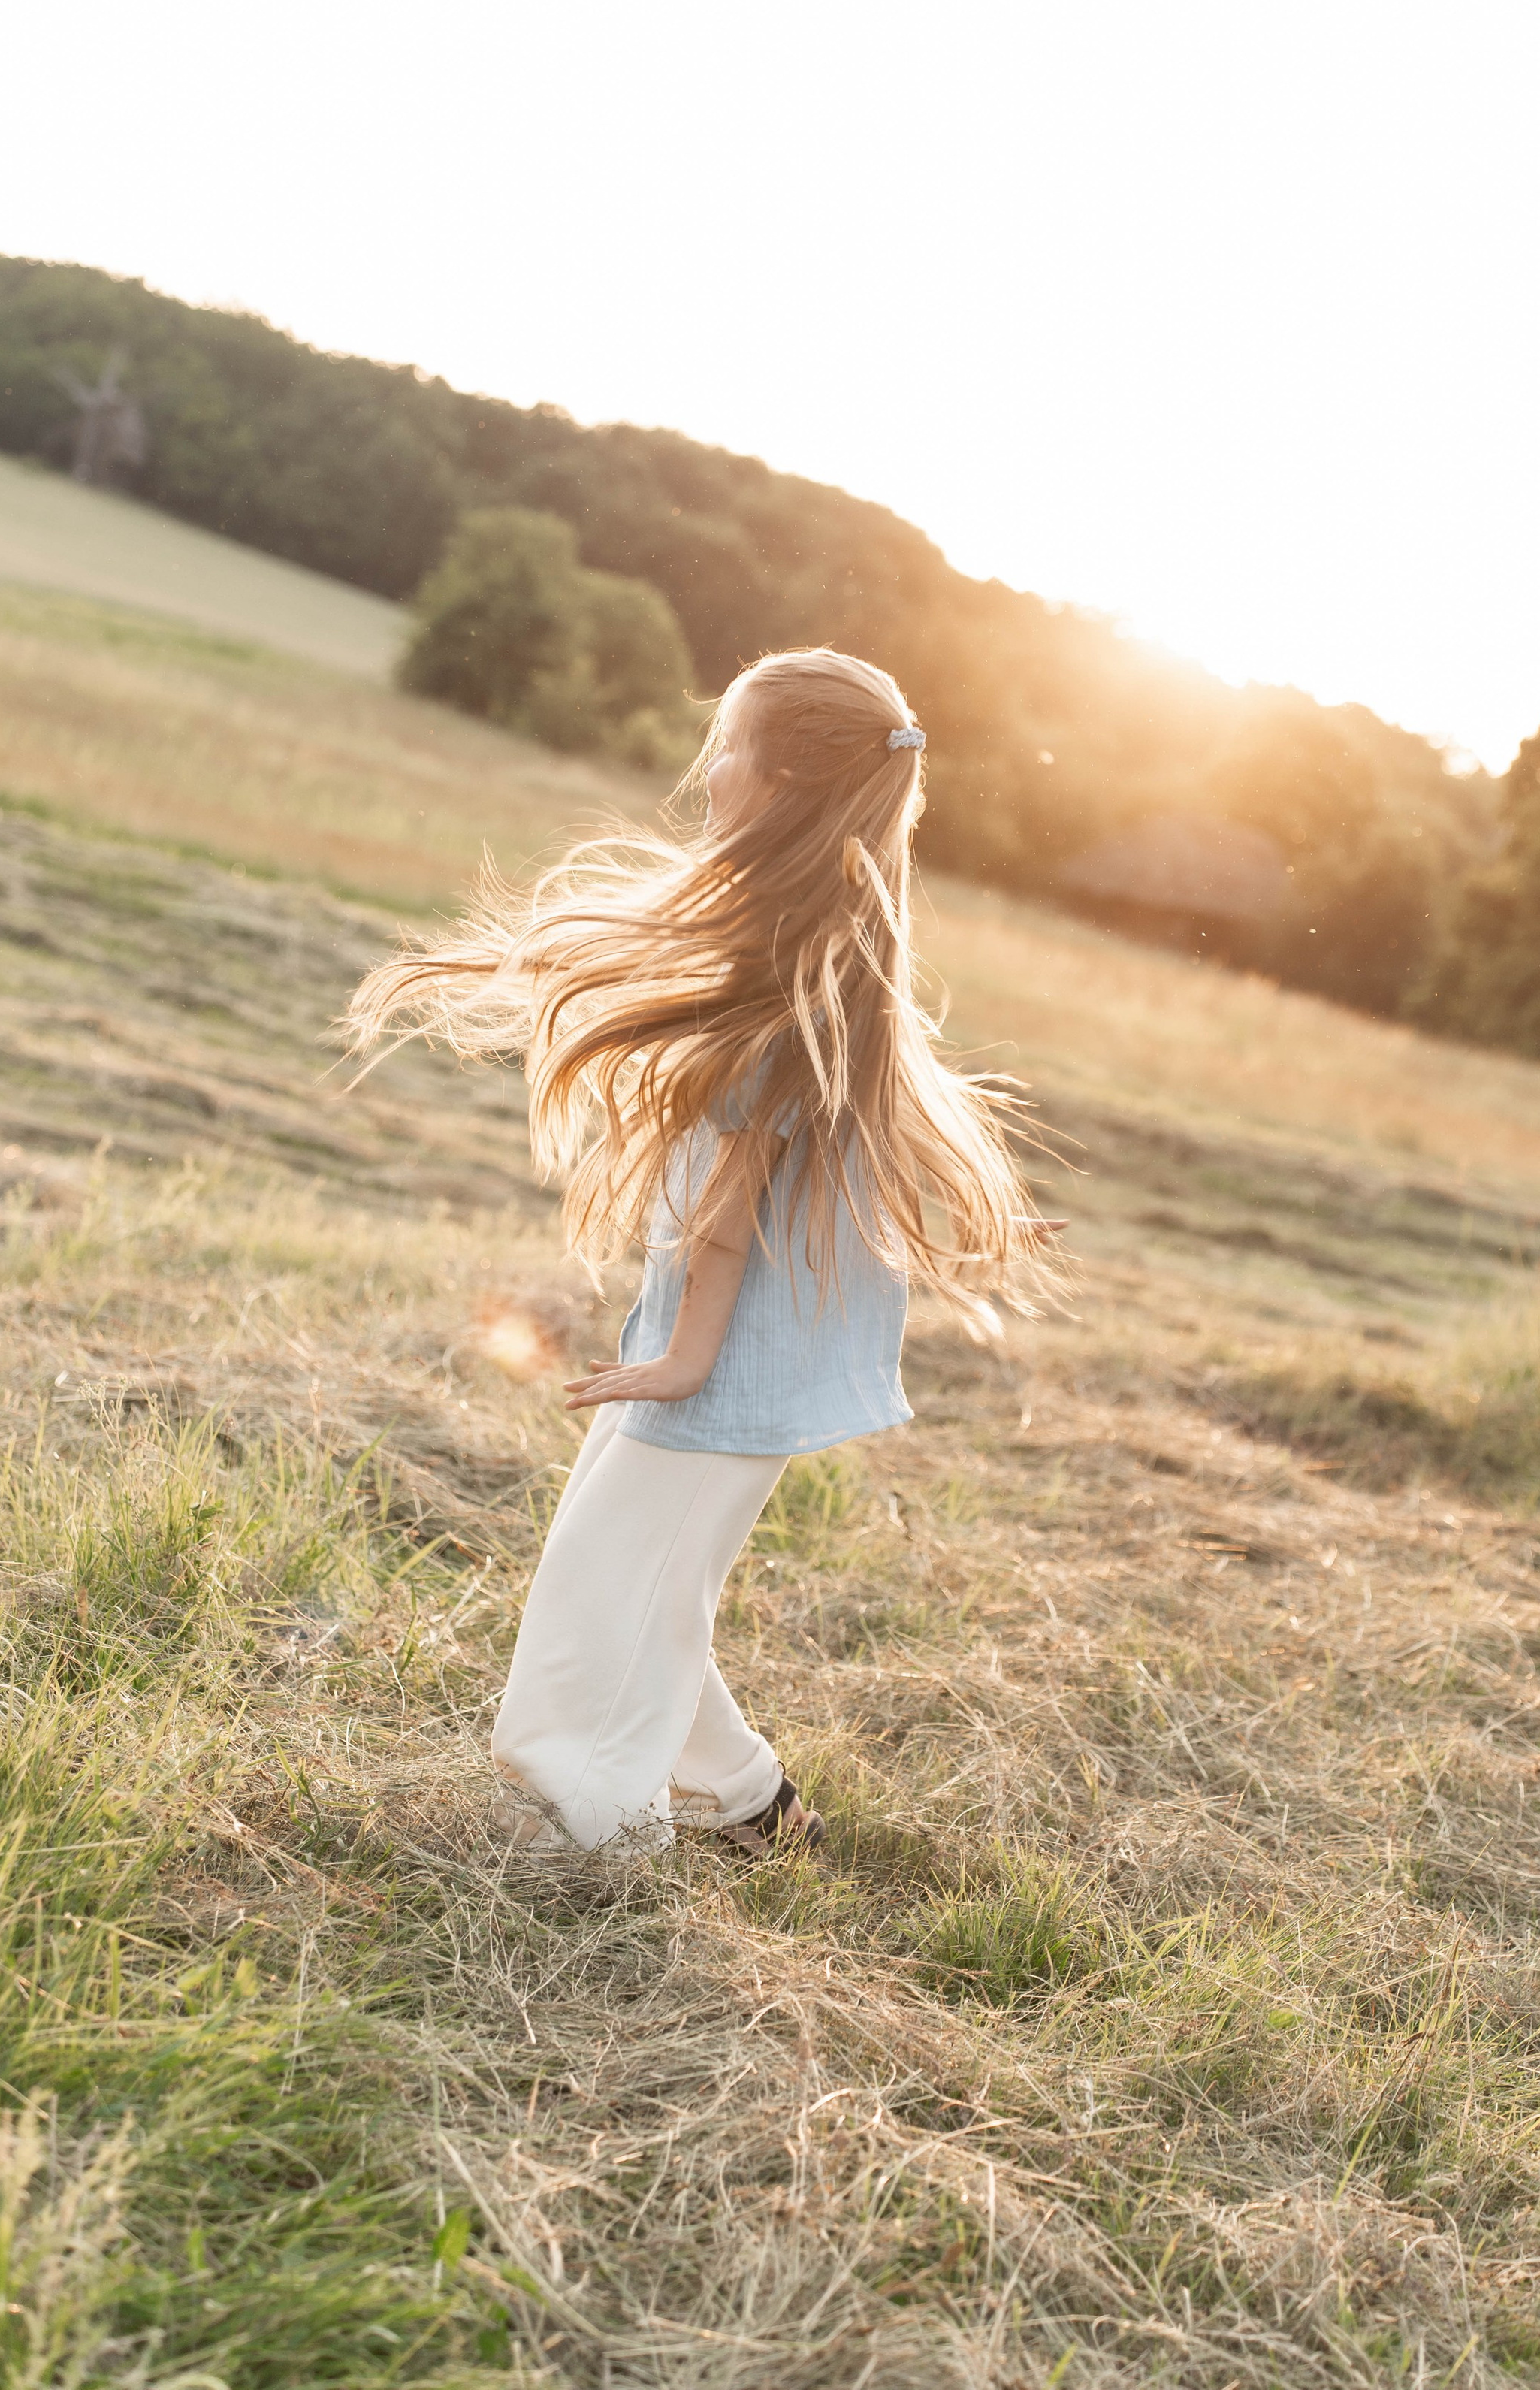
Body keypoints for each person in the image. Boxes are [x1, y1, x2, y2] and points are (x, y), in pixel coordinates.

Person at [346, 646, 1059, 1859]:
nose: (707, 763)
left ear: (780, 780)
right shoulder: (814, 929)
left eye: (727, 743)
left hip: (725, 1356)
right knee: (651, 1586)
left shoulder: (793, 954)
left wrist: (682, 1356)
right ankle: (750, 1808)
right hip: (724, 1345)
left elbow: (735, 1195)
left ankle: (601, 1829)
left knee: (601, 1590)